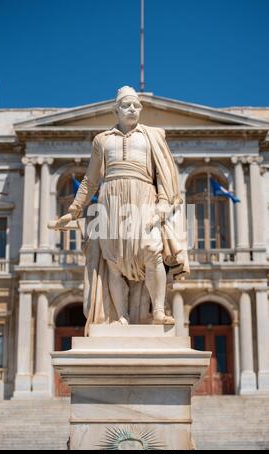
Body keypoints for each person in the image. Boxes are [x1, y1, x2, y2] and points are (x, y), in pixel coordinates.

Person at [55, 86, 189, 331]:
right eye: (126, 105)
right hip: (111, 201)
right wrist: (74, 210)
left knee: (152, 249)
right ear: (115, 109)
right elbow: (91, 180)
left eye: (136, 105)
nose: (132, 109)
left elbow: (164, 174)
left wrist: (162, 203)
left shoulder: (153, 136)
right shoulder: (102, 140)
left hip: (144, 197)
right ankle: (121, 316)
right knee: (114, 261)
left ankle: (158, 310)